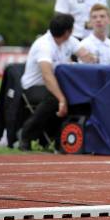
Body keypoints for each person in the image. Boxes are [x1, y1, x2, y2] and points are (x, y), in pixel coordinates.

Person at [18, 13, 91, 151]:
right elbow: (47, 76)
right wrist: (61, 98)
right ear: (68, 32)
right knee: (55, 100)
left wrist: (91, 57)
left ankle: (59, 140)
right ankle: (26, 134)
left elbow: (87, 56)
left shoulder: (69, 41)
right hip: (34, 86)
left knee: (78, 97)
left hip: (54, 85)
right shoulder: (44, 45)